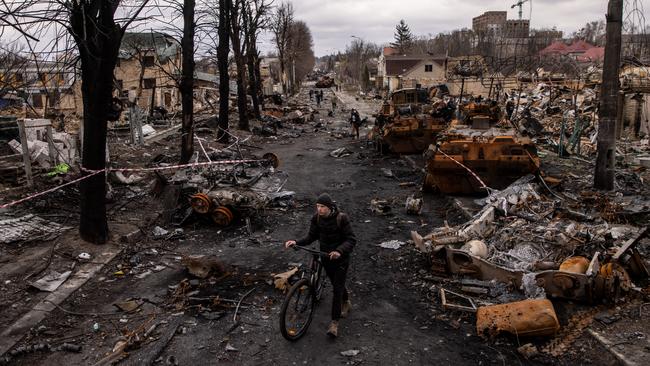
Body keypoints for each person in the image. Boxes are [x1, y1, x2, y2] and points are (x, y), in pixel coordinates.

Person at [285, 193, 356, 338]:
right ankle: (346, 301)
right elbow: (311, 237)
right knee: (337, 284)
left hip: (340, 260)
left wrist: (338, 251)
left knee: (336, 290)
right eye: (317, 206)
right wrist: (296, 242)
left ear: (329, 207)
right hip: (325, 258)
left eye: (322, 207)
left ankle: (334, 324)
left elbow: (351, 239)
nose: (319, 209)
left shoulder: (341, 218)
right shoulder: (316, 218)